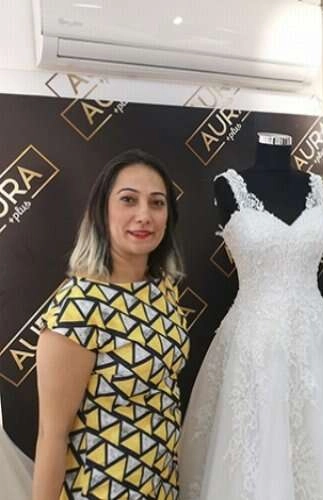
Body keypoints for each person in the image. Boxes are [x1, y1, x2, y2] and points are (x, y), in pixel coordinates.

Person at [178, 132, 323, 500]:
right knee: (256, 445)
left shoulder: (316, 186)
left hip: (315, 340)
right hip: (254, 341)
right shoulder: (227, 184)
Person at [33, 150, 189, 499]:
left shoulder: (163, 288)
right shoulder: (78, 307)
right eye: (128, 200)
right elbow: (51, 435)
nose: (144, 215)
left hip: (162, 485)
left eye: (157, 203)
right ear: (101, 210)